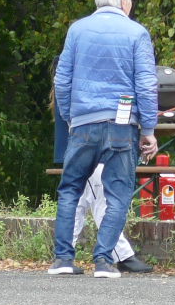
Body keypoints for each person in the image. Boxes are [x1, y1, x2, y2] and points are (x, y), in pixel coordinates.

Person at [51, 0, 159, 278]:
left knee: (70, 189)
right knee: (119, 193)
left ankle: (63, 259)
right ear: (124, 2)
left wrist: (70, 117)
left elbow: (62, 80)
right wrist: (148, 130)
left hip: (83, 123)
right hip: (122, 126)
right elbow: (146, 85)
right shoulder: (137, 32)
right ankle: (103, 261)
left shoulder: (77, 30)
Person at [51, 110, 144, 273]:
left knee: (76, 204)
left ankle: (63, 257)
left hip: (75, 147)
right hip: (97, 149)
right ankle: (118, 255)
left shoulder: (69, 98)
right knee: (102, 204)